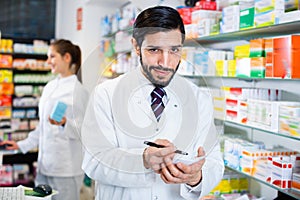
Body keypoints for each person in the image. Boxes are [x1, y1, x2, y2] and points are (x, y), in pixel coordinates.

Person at [81, 6, 224, 200]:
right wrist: (143, 160)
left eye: (174, 50)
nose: (165, 62)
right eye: (154, 49)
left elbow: (214, 161)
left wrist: (196, 177)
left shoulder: (199, 99)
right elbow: (93, 162)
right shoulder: (106, 94)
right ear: (136, 46)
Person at [0, 39, 89, 200]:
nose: (48, 61)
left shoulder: (79, 91)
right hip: (44, 166)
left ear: (66, 58)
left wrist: (64, 124)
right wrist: (21, 145)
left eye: (52, 57)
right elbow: (42, 127)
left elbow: (86, 130)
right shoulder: (50, 87)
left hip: (66, 169)